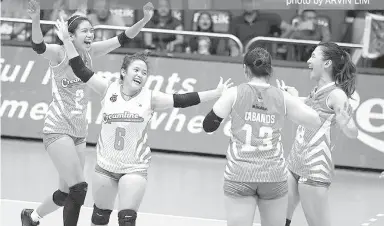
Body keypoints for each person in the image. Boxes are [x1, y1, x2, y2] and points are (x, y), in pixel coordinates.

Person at [54, 17, 233, 226]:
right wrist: (67, 40)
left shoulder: (151, 98)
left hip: (134, 168)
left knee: (127, 220)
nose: (140, 75)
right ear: (124, 72)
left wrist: (217, 93)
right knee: (99, 219)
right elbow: (80, 70)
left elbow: (182, 100)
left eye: (144, 72)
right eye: (136, 70)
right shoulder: (108, 89)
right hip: (104, 167)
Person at [21, 1, 154, 226]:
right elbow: (38, 46)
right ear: (71, 36)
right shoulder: (60, 52)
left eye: (92, 30)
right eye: (85, 31)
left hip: (79, 129)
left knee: (66, 193)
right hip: (58, 125)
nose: (90, 34)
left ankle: (32, 217)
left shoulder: (90, 52)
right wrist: (36, 20)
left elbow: (123, 38)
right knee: (79, 188)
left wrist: (144, 21)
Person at [202, 47, 323, 226]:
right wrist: (294, 99)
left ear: (245, 69)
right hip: (273, 176)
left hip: (240, 175)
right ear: (270, 70)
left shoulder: (234, 93)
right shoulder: (281, 97)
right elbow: (315, 121)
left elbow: (208, 125)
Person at [282, 42, 359, 226]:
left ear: (327, 63)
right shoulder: (316, 91)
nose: (308, 60)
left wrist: (346, 122)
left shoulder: (337, 95)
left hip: (314, 172)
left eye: (314, 56)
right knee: (278, 219)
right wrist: (293, 97)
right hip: (293, 165)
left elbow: (352, 132)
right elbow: (308, 107)